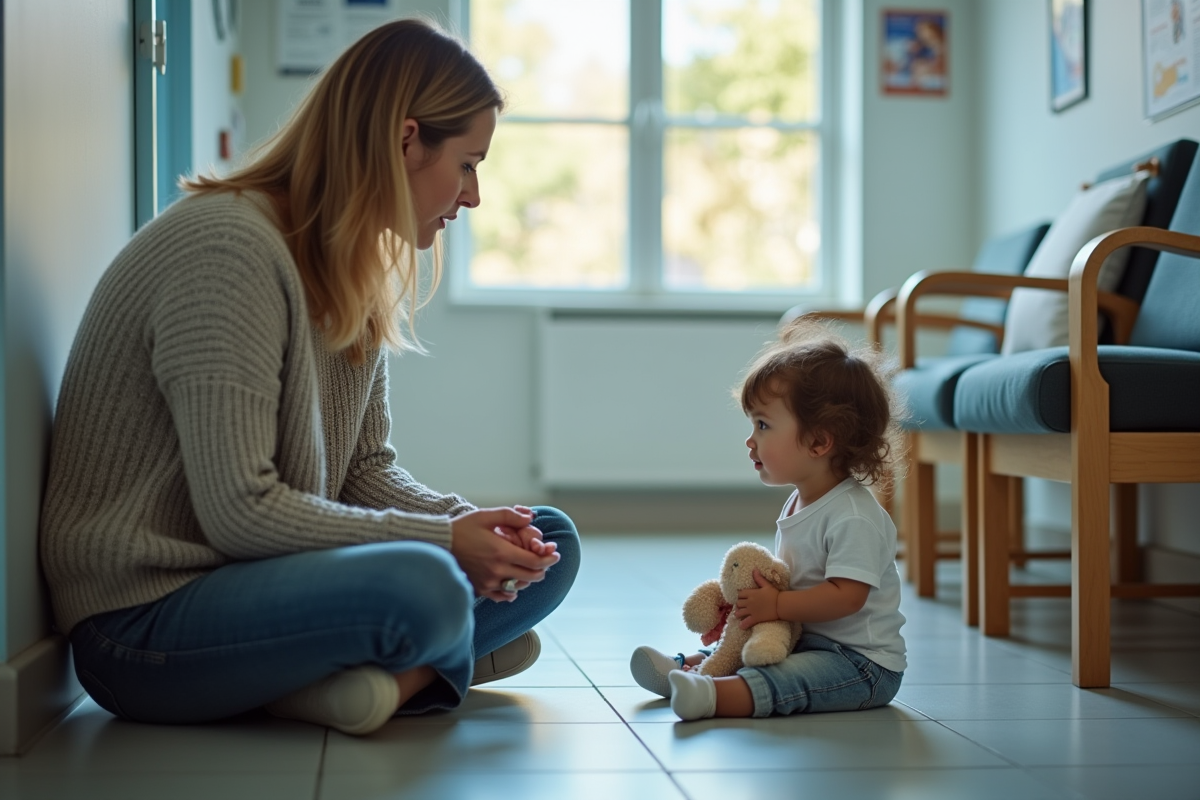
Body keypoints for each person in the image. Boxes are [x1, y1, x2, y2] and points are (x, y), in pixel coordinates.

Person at [39, 18, 580, 738]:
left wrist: (470, 526)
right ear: (406, 140)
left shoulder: (346, 266)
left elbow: (363, 470)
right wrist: (446, 544)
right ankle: (428, 662)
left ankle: (385, 673)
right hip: (142, 624)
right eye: (469, 163)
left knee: (551, 539)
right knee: (426, 589)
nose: (473, 196)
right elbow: (240, 510)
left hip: (254, 584)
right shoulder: (227, 250)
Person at [629, 319, 906, 720]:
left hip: (860, 664)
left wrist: (776, 604)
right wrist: (749, 611)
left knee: (788, 678)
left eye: (763, 424)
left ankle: (712, 696)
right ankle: (691, 663)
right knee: (749, 646)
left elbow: (847, 597)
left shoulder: (853, 515)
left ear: (819, 441)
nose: (750, 438)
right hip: (806, 637)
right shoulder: (801, 501)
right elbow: (796, 585)